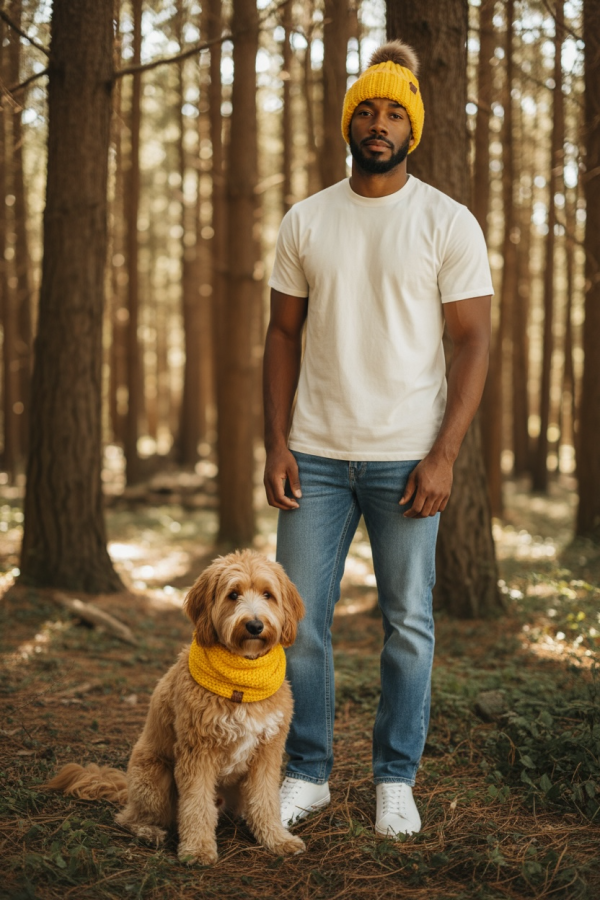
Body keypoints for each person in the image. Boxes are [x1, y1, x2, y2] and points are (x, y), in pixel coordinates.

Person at [262, 40, 493, 837]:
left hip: (408, 459)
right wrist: (276, 442)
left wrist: (444, 455)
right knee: (303, 622)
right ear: (349, 122)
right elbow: (281, 336)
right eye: (368, 108)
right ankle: (307, 772)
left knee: (409, 624)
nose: (380, 122)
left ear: (414, 129)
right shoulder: (306, 219)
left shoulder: (447, 222)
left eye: (395, 112)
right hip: (316, 457)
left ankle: (396, 778)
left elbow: (473, 343)